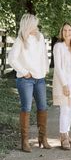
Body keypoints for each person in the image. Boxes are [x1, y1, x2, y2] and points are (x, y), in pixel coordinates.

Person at [8, 14, 51, 152]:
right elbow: (12, 59)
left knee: (43, 107)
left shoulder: (40, 37)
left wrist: (44, 70)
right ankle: (24, 141)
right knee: (26, 108)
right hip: (25, 79)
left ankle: (42, 138)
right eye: (34, 24)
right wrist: (24, 71)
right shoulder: (20, 40)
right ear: (28, 25)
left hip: (40, 79)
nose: (37, 27)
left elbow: (44, 55)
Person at [52, 22, 71, 150]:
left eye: (70, 30)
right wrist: (64, 84)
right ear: (61, 32)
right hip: (63, 81)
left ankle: (67, 135)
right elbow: (58, 67)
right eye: (65, 30)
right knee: (65, 109)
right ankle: (63, 137)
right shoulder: (58, 47)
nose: (67, 33)